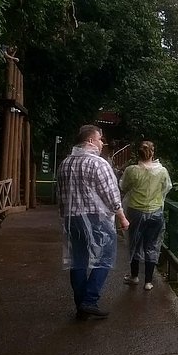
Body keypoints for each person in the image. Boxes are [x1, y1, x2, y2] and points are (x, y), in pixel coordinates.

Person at [57, 124, 129, 320]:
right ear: (90, 140)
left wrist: (65, 217)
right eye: (99, 139)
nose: (102, 143)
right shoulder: (99, 164)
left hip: (72, 219)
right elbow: (111, 195)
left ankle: (81, 304)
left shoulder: (65, 164)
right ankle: (90, 300)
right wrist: (122, 216)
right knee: (105, 256)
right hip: (96, 218)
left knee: (77, 260)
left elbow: (61, 194)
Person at [120, 141, 173, 291]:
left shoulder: (132, 170)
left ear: (139, 153)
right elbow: (166, 187)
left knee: (134, 243)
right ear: (153, 153)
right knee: (152, 245)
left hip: (136, 211)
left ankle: (134, 276)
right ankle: (148, 281)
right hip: (156, 212)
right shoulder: (162, 171)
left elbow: (123, 186)